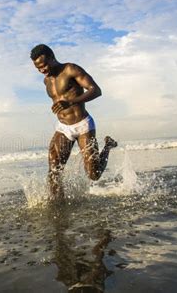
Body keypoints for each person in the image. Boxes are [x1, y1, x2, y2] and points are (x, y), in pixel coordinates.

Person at [30, 44, 117, 200]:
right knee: (54, 171)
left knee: (93, 174)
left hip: (83, 125)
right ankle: (58, 206)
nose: (42, 70)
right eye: (38, 68)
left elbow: (95, 90)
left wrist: (71, 102)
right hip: (63, 127)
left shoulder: (70, 69)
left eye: (44, 65)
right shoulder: (46, 81)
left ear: (52, 58)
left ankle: (108, 146)